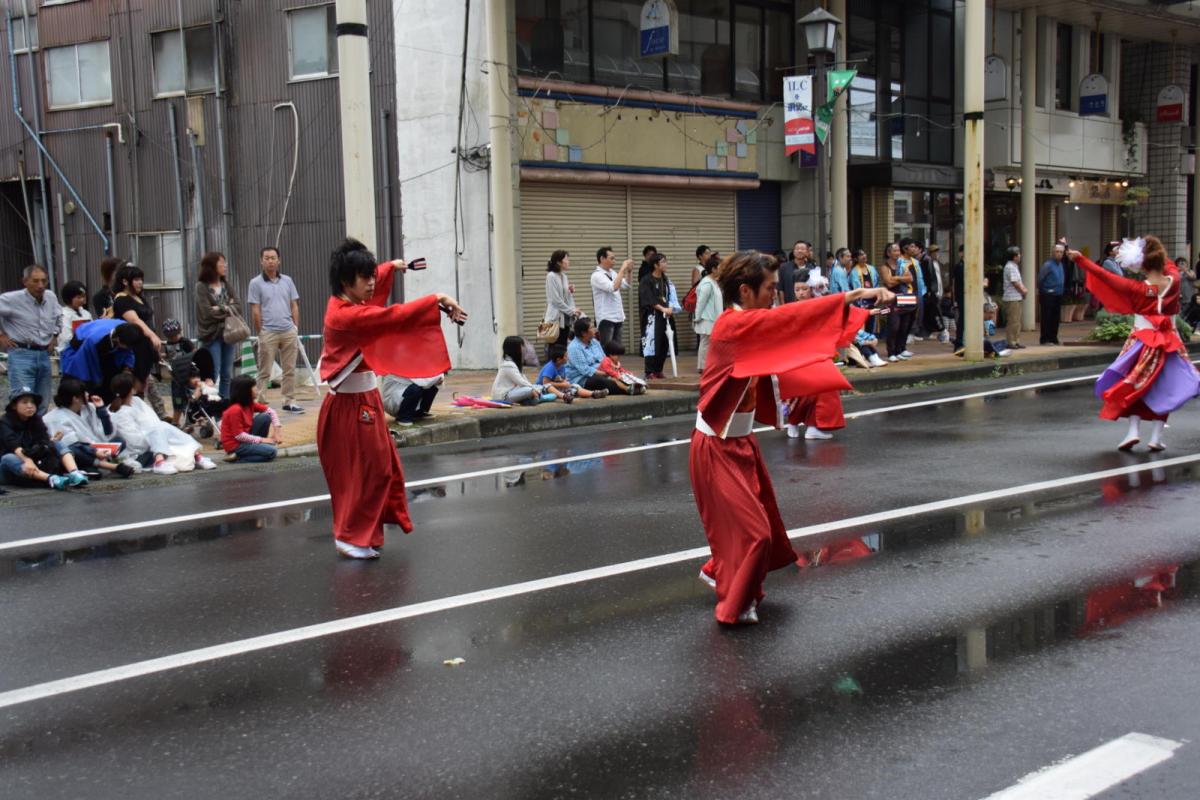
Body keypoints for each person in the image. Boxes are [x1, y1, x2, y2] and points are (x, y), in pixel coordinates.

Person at [690, 251, 892, 624]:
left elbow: (790, 330)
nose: (774, 294)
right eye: (769, 288)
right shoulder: (732, 326)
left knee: (759, 524)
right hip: (716, 447)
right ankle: (732, 606)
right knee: (755, 533)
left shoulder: (747, 323)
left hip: (740, 443)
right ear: (746, 291)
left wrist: (856, 314)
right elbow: (790, 319)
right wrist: (850, 298)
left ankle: (720, 571)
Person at [317, 238, 467, 559]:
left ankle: (364, 533)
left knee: (382, 469)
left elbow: (379, 279)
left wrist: (391, 267)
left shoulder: (353, 302)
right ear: (346, 281)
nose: (372, 283)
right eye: (364, 277)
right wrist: (437, 298)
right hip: (348, 407)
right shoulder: (344, 316)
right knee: (362, 474)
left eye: (372, 275)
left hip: (365, 398)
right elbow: (391, 317)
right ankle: (349, 536)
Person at [1068, 239, 1200, 452]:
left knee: (1133, 384)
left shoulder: (1136, 288)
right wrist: (1150, 249)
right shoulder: (1173, 281)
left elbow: (1105, 276)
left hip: (1141, 342)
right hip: (1169, 343)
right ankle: (1156, 437)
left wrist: (1081, 259)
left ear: (1143, 265)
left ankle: (1133, 431)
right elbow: (1169, 265)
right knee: (1163, 388)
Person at [109, 373, 216, 474]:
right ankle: (160, 461)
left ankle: (196, 455)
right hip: (139, 452)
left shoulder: (137, 401)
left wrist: (158, 434)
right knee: (161, 429)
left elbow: (154, 421)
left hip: (155, 441)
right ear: (131, 389)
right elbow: (134, 442)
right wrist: (154, 435)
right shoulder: (120, 412)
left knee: (162, 427)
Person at [247, 246, 304, 413]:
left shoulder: (287, 280)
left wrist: (295, 326)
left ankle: (289, 400)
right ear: (261, 261)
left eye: (273, 258)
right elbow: (255, 309)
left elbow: (294, 304)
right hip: (268, 332)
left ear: (278, 260)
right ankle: (260, 402)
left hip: (288, 330)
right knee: (264, 370)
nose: (270, 261)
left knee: (289, 369)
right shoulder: (255, 283)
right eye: (266, 258)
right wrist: (261, 330)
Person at [44, 378, 136, 478]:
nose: (87, 394)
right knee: (72, 449)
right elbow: (72, 444)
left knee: (120, 441)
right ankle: (102, 465)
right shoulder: (56, 417)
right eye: (84, 392)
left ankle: (91, 466)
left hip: (96, 447)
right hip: (80, 451)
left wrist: (101, 410)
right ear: (75, 398)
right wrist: (95, 452)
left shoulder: (89, 407)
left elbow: (108, 432)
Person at [0, 386, 88, 490]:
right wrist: (28, 461)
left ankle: (74, 473)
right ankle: (51, 479)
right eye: (25, 402)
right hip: (12, 467)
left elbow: (43, 441)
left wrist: (51, 442)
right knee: (8, 458)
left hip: (35, 463)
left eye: (32, 403)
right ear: (14, 406)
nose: (30, 406)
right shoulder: (4, 422)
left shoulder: (36, 420)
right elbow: (14, 446)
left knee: (57, 443)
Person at [0, 265, 60, 414]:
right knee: (22, 399)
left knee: (42, 400)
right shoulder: (11, 299)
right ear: (25, 282)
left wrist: (55, 335)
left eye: (44, 281)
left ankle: (38, 433)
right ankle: (19, 435)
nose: (40, 285)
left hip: (44, 353)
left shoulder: (51, 297)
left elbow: (59, 315)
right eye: (35, 281)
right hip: (21, 352)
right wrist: (1, 335)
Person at [111, 263, 168, 419]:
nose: (140, 283)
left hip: (146, 348)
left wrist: (153, 342)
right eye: (136, 279)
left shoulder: (139, 297)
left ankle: (144, 416)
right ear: (125, 281)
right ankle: (130, 417)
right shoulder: (121, 300)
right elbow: (135, 320)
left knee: (144, 384)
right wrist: (152, 336)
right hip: (133, 348)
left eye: (141, 279)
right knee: (134, 385)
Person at [60, 319, 142, 402]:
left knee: (115, 381)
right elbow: (87, 367)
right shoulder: (94, 341)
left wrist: (127, 368)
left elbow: (129, 353)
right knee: (83, 388)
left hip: (108, 348)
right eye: (128, 347)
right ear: (117, 340)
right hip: (80, 351)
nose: (129, 349)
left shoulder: (128, 330)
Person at [195, 250, 240, 399]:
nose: (225, 266)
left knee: (227, 373)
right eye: (222, 263)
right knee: (212, 374)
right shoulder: (201, 287)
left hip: (228, 333)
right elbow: (207, 313)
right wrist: (228, 308)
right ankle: (210, 405)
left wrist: (220, 308)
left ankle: (224, 406)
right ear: (212, 266)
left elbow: (238, 307)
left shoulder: (225, 284)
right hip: (211, 335)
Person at [221, 375, 283, 463]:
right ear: (245, 391)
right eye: (254, 387)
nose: (257, 389)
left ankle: (256, 449)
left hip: (245, 439)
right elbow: (239, 436)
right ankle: (237, 458)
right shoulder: (235, 409)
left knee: (265, 417)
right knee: (272, 451)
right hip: (236, 445)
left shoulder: (249, 403)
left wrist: (277, 432)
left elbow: (271, 412)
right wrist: (262, 440)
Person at [566, 317, 628, 395]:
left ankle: (634, 385)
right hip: (583, 379)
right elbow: (586, 371)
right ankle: (629, 389)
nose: (595, 329)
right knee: (604, 381)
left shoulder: (594, 342)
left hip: (602, 372)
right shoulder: (574, 347)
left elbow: (604, 359)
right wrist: (607, 373)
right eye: (592, 328)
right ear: (584, 333)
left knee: (622, 374)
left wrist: (614, 365)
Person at [878, 243, 916, 361]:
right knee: (894, 325)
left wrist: (896, 278)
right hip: (891, 298)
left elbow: (910, 278)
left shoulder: (902, 264)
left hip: (905, 297)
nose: (897, 253)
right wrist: (901, 279)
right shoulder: (884, 267)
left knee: (904, 325)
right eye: (894, 251)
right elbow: (888, 283)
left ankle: (900, 349)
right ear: (888, 253)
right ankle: (891, 352)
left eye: (898, 250)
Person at [639, 253, 673, 379]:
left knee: (664, 343)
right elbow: (648, 299)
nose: (666, 264)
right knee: (651, 343)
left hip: (666, 315)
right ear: (655, 265)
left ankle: (659, 369)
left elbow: (670, 296)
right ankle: (649, 371)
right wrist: (662, 308)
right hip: (652, 317)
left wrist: (670, 307)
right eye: (663, 262)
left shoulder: (665, 279)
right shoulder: (646, 280)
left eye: (666, 261)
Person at [493, 336, 555, 405]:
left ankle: (533, 399)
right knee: (529, 390)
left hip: (512, 392)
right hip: (503, 396)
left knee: (540, 387)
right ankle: (540, 397)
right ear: (514, 348)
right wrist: (534, 388)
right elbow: (521, 382)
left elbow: (524, 380)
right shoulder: (508, 365)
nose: (524, 348)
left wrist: (536, 387)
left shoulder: (514, 363)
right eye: (521, 346)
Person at [590, 247, 632, 348]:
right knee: (607, 349)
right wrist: (622, 269)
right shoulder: (597, 275)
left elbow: (626, 285)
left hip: (618, 316)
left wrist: (629, 271)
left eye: (614, 258)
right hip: (606, 318)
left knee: (616, 349)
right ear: (602, 259)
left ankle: (614, 364)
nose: (614, 261)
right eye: (611, 258)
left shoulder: (612, 273)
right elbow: (613, 287)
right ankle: (607, 365)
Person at [543, 249, 580, 360]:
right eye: (566, 259)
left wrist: (569, 291)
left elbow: (566, 297)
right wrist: (571, 310)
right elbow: (555, 300)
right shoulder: (551, 276)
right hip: (555, 318)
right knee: (554, 346)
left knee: (563, 345)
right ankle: (551, 373)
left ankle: (560, 372)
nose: (568, 261)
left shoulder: (564, 276)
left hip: (565, 318)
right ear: (559, 262)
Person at [536, 344, 606, 399]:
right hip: (543, 390)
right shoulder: (550, 367)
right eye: (566, 356)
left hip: (557, 389)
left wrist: (565, 382)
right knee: (549, 386)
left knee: (574, 386)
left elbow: (562, 379)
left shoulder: (562, 366)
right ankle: (564, 397)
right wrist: (562, 385)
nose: (568, 357)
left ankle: (593, 393)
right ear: (558, 359)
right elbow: (545, 383)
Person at [693, 253, 723, 372]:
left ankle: (705, 366)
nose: (721, 270)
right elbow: (701, 302)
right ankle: (703, 367)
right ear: (713, 269)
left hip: (712, 318)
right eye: (720, 268)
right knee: (705, 343)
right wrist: (697, 317)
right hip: (706, 319)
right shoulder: (707, 283)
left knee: (707, 343)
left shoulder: (713, 282)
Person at [1038, 242, 1067, 345]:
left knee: (1055, 317)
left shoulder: (1061, 265)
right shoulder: (1048, 265)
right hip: (1048, 294)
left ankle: (1053, 337)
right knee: (1047, 317)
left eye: (1061, 252)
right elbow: (1040, 279)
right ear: (1053, 253)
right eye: (1057, 252)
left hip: (1058, 294)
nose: (1059, 254)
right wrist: (1045, 290)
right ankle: (1045, 338)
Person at [1001, 245, 1028, 350]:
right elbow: (1015, 282)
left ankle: (1016, 340)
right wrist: (1024, 290)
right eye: (1018, 254)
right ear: (1014, 256)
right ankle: (1011, 341)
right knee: (1013, 321)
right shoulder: (1010, 267)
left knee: (1017, 321)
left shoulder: (1013, 266)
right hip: (1012, 298)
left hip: (1016, 297)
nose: (1020, 256)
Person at [56, 281, 92, 355]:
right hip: (69, 352)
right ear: (69, 298)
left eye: (84, 296)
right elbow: (66, 338)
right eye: (78, 297)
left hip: (84, 350)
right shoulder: (63, 314)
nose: (82, 300)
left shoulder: (86, 313)